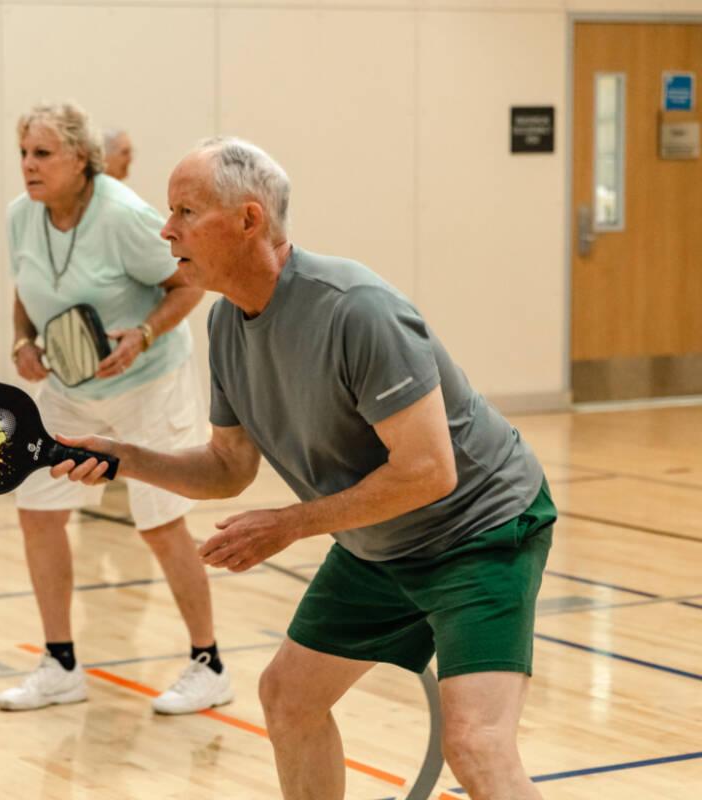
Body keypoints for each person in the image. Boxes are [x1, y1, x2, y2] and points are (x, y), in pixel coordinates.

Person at [52, 137, 556, 800]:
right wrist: (127, 459)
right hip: (380, 542)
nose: (165, 228)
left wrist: (289, 524)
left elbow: (431, 471)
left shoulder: (357, 310)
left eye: (184, 210)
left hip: (481, 532)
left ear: (249, 220)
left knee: (476, 744)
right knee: (288, 699)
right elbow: (230, 467)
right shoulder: (229, 328)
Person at [0, 101, 233, 715]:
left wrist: (143, 336)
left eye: (43, 153)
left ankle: (208, 664)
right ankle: (60, 665)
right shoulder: (22, 217)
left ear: (82, 159)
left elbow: (190, 283)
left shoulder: (125, 216)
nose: (28, 164)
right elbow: (26, 288)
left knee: (158, 524)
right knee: (38, 512)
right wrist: (23, 341)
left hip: (149, 385)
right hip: (71, 392)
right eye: (24, 152)